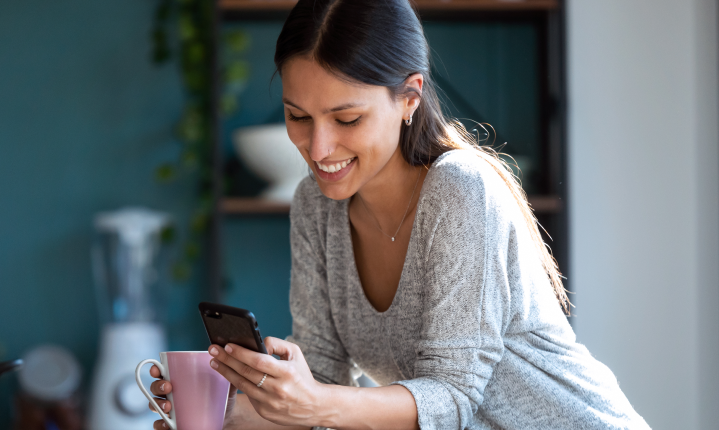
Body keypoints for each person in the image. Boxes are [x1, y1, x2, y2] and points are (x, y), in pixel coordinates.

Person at [148, 0, 650, 428]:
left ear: (409, 97)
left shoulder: (461, 189)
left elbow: (451, 399)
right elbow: (323, 376)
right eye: (297, 116)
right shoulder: (315, 205)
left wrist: (315, 401)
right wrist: (227, 413)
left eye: (347, 118)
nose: (318, 148)